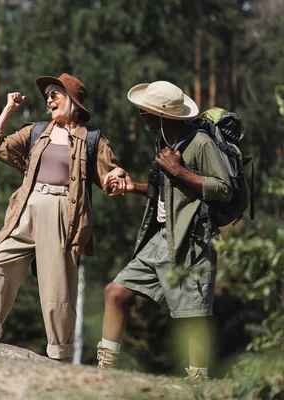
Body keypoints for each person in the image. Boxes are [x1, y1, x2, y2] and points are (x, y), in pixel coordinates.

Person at [0, 73, 126, 362]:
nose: (49, 100)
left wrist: (116, 179)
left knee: (57, 289)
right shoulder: (36, 131)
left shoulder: (92, 139)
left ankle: (60, 355)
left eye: (56, 94)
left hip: (62, 212)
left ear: (74, 103)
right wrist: (8, 110)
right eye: (48, 96)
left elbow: (110, 175)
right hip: (25, 207)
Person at [98, 81, 232, 379]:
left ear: (162, 115)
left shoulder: (200, 143)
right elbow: (168, 193)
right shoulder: (164, 141)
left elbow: (224, 189)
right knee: (115, 292)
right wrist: (135, 188)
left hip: (192, 240)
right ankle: (104, 372)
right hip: (161, 238)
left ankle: (198, 384)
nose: (140, 114)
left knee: (192, 317)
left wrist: (179, 170)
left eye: (145, 110)